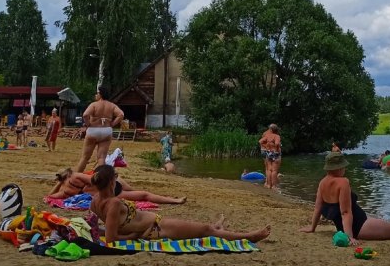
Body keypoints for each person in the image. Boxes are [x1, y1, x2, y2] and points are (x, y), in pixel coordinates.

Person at [90, 164, 270, 243]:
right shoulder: (113, 203)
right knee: (206, 230)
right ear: (112, 182)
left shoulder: (95, 202)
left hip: (155, 225)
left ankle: (218, 228)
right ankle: (249, 236)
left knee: (204, 228)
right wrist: (133, 236)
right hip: (156, 229)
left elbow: (106, 228)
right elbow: (112, 238)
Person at [299, 152, 390, 244]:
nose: (345, 169)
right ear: (339, 168)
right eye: (344, 167)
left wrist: (312, 228)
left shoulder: (322, 183)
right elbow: (345, 212)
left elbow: (318, 208)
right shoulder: (343, 182)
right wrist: (350, 237)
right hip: (360, 226)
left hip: (346, 227)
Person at [48, 167, 186, 204]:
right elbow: (95, 179)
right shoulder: (75, 176)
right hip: (110, 188)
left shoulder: (65, 190)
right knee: (142, 194)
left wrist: (58, 184)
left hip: (107, 193)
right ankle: (174, 200)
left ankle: (172, 200)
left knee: (142, 195)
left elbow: (50, 196)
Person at [75, 87, 124, 173]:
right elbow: (121, 114)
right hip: (106, 130)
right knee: (101, 158)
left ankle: (77, 176)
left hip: (93, 130)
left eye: (97, 93)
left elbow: (85, 115)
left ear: (101, 94)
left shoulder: (94, 105)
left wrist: (88, 124)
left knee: (85, 157)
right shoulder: (112, 105)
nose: (96, 95)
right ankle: (101, 177)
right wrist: (112, 124)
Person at [258, 123, 282, 190]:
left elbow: (260, 141)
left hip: (268, 153)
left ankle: (268, 185)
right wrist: (277, 149)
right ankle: (274, 186)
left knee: (268, 169)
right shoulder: (277, 136)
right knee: (274, 170)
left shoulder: (267, 135)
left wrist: (266, 147)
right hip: (275, 153)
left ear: (271, 129)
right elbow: (277, 143)